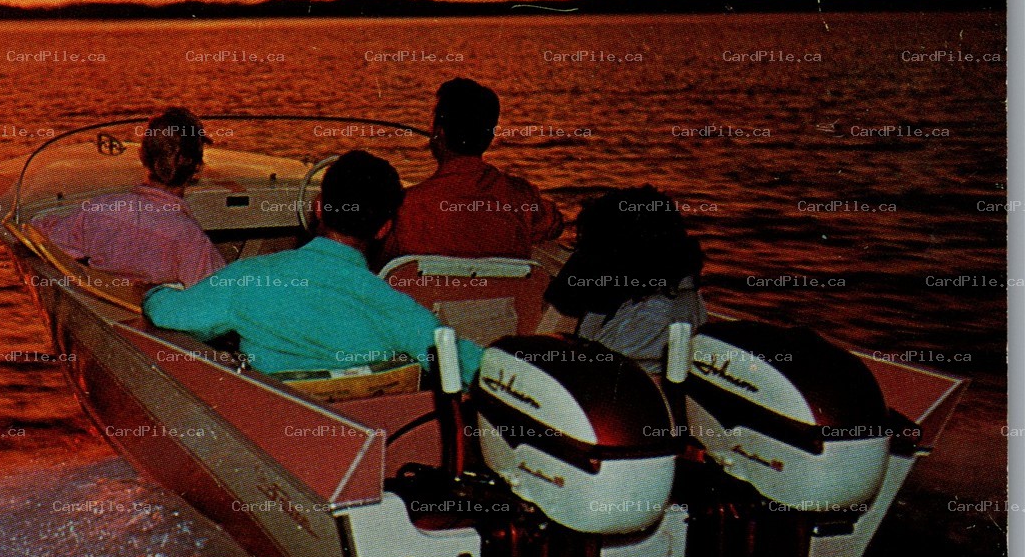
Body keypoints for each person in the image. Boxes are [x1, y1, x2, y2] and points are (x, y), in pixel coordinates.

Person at [144, 149, 483, 378]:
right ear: (383, 228)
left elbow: (168, 313)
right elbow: (470, 367)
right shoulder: (395, 309)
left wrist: (154, 291)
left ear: (318, 208)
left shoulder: (250, 280)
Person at [36, 108, 224, 287]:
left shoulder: (98, 211)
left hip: (107, 303)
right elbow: (216, 297)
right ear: (197, 167)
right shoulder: (191, 239)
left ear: (142, 156)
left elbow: (40, 234)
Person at [383, 77, 563, 262]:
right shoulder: (522, 197)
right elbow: (555, 224)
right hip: (503, 291)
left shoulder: (405, 206)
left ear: (440, 132)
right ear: (490, 136)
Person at [543, 184, 706, 376]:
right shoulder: (632, 291)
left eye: (595, 246)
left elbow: (592, 377)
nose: (589, 256)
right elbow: (563, 297)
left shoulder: (653, 317)